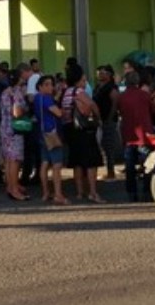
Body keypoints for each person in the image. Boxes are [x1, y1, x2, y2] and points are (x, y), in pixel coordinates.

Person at [62, 64, 105, 203]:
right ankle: (92, 192)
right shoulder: (79, 92)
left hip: (70, 129)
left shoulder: (66, 92)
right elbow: (92, 105)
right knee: (91, 161)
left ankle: (80, 192)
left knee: (77, 162)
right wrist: (98, 118)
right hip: (84, 130)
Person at [117, 71, 155, 202]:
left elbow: (118, 112)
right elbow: (153, 110)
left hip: (129, 135)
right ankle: (147, 192)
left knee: (129, 168)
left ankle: (132, 193)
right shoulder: (145, 95)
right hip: (145, 135)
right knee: (147, 165)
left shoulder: (121, 97)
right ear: (138, 82)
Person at [33, 75, 67, 205]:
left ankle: (46, 192)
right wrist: (62, 111)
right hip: (52, 133)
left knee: (45, 163)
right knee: (57, 165)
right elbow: (58, 113)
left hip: (41, 134)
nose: (50, 87)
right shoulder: (47, 99)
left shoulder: (37, 98)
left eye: (51, 84)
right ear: (40, 86)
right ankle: (58, 194)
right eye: (46, 84)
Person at [0, 63, 30, 202]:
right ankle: (14, 189)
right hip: (15, 130)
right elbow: (17, 112)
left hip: (5, 128)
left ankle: (10, 186)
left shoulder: (5, 92)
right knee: (15, 160)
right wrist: (26, 110)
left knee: (8, 160)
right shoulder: (17, 92)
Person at [93, 65, 120, 181]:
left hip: (108, 120)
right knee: (102, 145)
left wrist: (109, 118)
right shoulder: (97, 87)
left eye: (102, 73)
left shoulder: (111, 87)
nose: (99, 75)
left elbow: (115, 103)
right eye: (98, 72)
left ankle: (111, 172)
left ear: (109, 75)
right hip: (98, 120)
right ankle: (107, 170)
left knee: (109, 146)